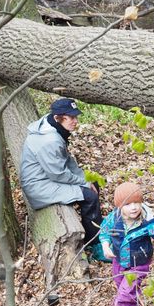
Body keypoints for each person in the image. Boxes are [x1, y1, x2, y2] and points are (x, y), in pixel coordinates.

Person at [20, 97, 108, 261]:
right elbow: (58, 174)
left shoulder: (53, 126)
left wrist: (86, 178)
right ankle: (95, 244)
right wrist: (83, 183)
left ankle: (93, 225)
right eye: (71, 117)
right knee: (90, 196)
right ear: (58, 118)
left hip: (47, 178)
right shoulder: (49, 140)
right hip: (39, 187)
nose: (75, 121)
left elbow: (66, 161)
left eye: (75, 116)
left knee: (93, 183)